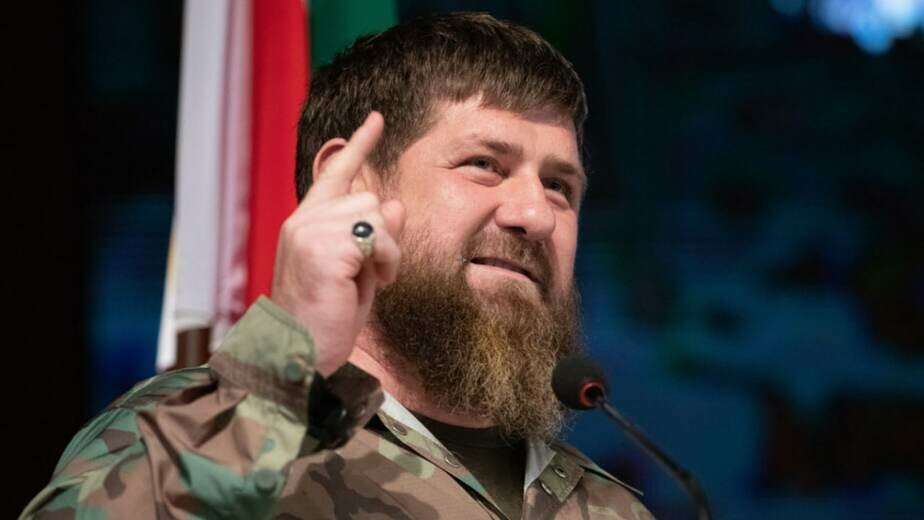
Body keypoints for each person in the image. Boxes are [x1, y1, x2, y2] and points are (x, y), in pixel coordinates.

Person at [23, 12, 653, 520]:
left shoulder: (612, 507)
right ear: (353, 188)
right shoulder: (201, 432)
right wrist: (283, 366)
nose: (536, 215)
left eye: (559, 187)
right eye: (484, 165)